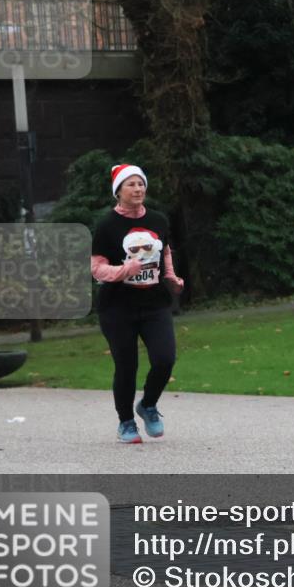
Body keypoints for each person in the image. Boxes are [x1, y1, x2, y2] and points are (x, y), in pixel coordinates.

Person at [91, 164, 184, 444]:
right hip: (117, 307)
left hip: (154, 302)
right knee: (126, 365)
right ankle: (126, 422)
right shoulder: (107, 226)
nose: (138, 189)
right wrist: (122, 272)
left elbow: (164, 251)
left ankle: (148, 405)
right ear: (118, 191)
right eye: (131, 185)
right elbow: (96, 268)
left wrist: (171, 276)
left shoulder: (158, 220)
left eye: (141, 184)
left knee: (165, 358)